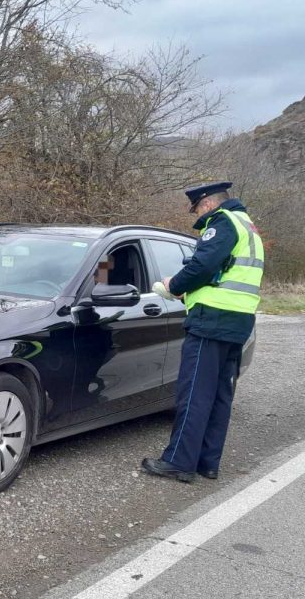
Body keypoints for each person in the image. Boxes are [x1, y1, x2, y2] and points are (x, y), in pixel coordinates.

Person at [142, 181, 264, 482]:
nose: (198, 214)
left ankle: (179, 463)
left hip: (211, 320)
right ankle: (207, 462)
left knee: (195, 392)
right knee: (221, 395)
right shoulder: (248, 227)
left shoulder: (222, 222)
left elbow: (201, 266)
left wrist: (173, 286)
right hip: (238, 321)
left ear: (208, 203)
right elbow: (226, 272)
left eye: (197, 208)